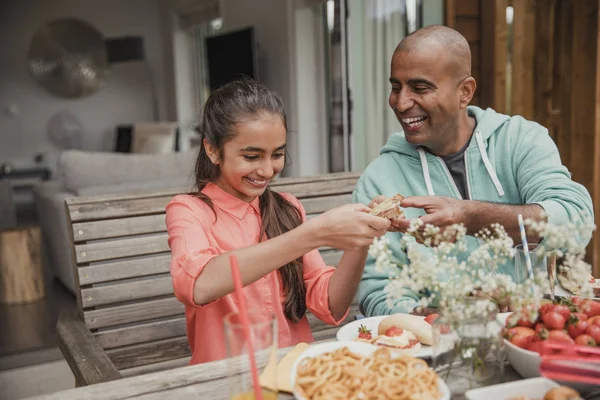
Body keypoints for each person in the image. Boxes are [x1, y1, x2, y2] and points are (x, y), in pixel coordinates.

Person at [353, 25, 594, 317]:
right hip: (444, 349)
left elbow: (575, 221)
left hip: (538, 329)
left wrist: (469, 216)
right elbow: (379, 293)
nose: (401, 103)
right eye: (395, 87)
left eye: (420, 88)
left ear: (465, 92)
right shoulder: (379, 180)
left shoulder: (519, 140)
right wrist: (450, 312)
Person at [166, 77, 391, 365]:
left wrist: (361, 237)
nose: (266, 169)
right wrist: (314, 234)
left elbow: (330, 306)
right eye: (251, 156)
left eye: (278, 154)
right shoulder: (189, 210)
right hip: (225, 382)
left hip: (291, 372)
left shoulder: (287, 209)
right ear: (212, 150)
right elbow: (197, 284)